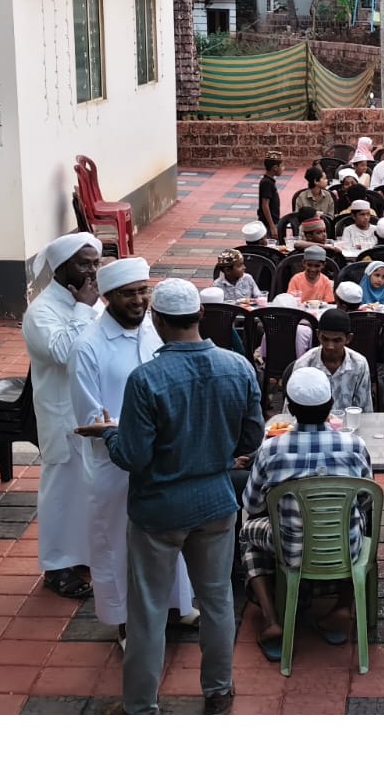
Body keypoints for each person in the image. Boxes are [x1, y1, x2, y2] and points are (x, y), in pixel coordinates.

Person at [76, 279, 262, 715]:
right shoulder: (238, 367)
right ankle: (218, 689)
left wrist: (111, 434)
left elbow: (134, 457)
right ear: (201, 315)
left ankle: (142, 706)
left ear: (157, 320)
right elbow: (250, 438)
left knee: (148, 611)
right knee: (217, 600)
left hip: (158, 511)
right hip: (216, 504)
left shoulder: (146, 379)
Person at [71, 259, 197, 647]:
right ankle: (126, 623)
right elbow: (91, 418)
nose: (139, 300)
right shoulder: (88, 346)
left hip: (163, 457)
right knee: (119, 543)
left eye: (144, 291)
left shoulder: (155, 331)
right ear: (108, 297)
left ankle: (176, 606)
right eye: (129, 294)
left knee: (169, 535)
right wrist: (136, 433)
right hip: (115, 464)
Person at [239, 366, 372, 660]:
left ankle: (271, 619)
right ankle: (342, 604)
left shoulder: (270, 449)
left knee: (247, 533)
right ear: (330, 405)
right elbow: (365, 498)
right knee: (362, 520)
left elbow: (251, 504)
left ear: (290, 408)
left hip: (290, 549)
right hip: (344, 547)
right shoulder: (355, 445)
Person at [23, 231, 102, 600]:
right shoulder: (40, 312)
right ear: (61, 268)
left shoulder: (88, 300)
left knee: (88, 488)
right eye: (84, 264)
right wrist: (85, 309)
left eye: (96, 263)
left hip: (90, 411)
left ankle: (81, 555)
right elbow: (65, 353)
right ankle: (56, 567)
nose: (92, 271)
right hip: (61, 415)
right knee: (60, 491)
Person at [286, 309, 372, 413]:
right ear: (318, 335)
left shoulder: (359, 364)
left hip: (347, 422)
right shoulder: (304, 364)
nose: (330, 346)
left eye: (337, 340)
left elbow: (364, 407)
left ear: (348, 338)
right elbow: (290, 411)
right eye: (325, 339)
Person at [258, 153, 283, 232]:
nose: (283, 168)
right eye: (282, 166)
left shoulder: (269, 181)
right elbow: (265, 205)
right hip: (268, 224)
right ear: (275, 168)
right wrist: (272, 226)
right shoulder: (267, 183)